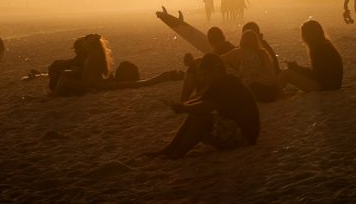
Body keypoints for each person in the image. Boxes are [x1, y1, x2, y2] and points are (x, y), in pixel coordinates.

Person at [148, 53, 259, 159]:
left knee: (201, 118)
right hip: (236, 127)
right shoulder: (220, 82)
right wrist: (183, 105)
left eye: (206, 74)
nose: (204, 78)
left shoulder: (227, 84)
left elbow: (206, 106)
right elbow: (201, 100)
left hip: (245, 136)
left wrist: (184, 108)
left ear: (216, 70)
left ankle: (177, 153)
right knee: (195, 114)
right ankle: (170, 149)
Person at [53, 34, 183, 97]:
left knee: (142, 83)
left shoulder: (94, 56)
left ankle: (166, 76)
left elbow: (89, 77)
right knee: (140, 83)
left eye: (85, 43)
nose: (82, 45)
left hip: (95, 85)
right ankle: (166, 75)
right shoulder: (92, 55)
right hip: (94, 85)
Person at [278, 20, 343, 92]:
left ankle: (272, 93)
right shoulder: (325, 45)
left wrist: (297, 68)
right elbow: (319, 72)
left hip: (325, 87)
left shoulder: (319, 49)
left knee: (287, 74)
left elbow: (316, 75)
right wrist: (297, 68)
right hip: (332, 85)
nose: (302, 37)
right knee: (289, 72)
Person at [180, 26, 237, 101]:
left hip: (225, 83)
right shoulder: (221, 49)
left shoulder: (231, 50)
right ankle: (185, 100)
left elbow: (226, 71)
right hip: (217, 80)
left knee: (195, 70)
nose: (213, 45)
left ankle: (185, 101)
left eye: (213, 42)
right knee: (194, 68)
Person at [221, 30, 279, 102]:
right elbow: (270, 75)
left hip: (257, 91)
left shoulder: (242, 52)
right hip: (271, 91)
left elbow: (221, 59)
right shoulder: (263, 53)